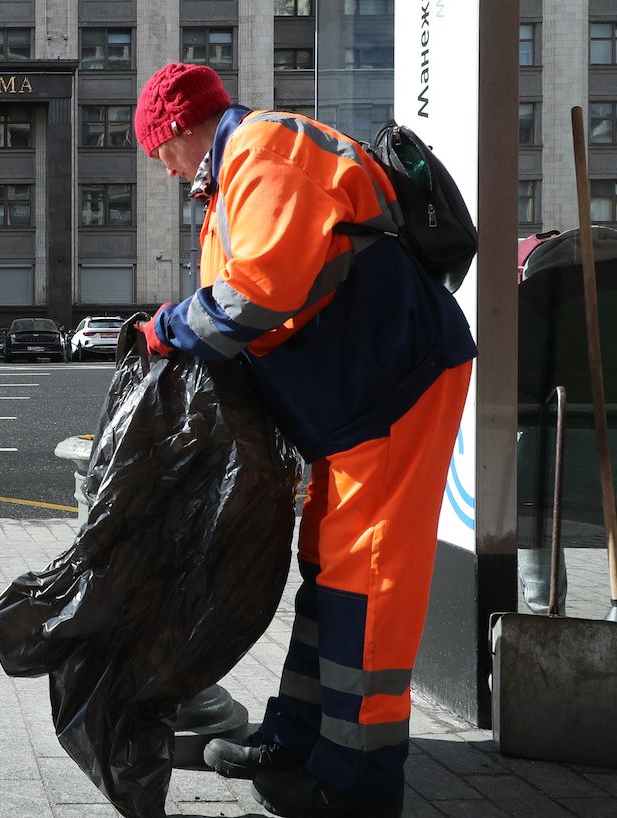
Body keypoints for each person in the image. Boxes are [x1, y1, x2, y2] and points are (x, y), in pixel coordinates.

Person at [131, 63, 476, 818]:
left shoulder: (265, 151)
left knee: (369, 574)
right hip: (354, 399)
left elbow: (259, 294)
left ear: (181, 129)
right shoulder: (238, 173)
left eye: (159, 149)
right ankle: (297, 735)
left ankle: (357, 780)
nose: (161, 166)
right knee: (327, 562)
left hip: (393, 385)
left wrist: (167, 327)